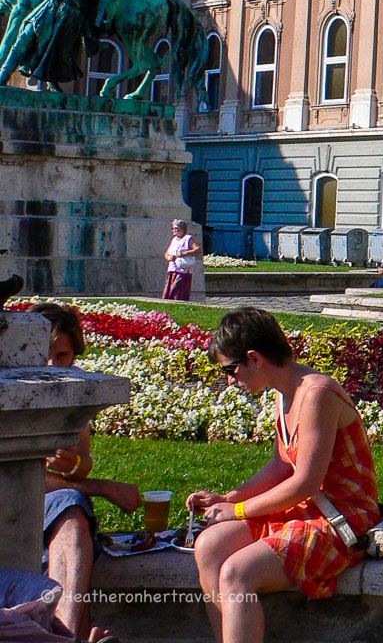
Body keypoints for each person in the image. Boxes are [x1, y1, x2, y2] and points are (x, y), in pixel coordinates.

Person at [189, 308, 382, 643]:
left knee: (238, 573)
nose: (231, 381)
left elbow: (305, 481)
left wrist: (235, 512)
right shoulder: (286, 392)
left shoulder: (317, 394)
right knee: (208, 546)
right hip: (309, 510)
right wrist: (230, 498)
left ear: (254, 358)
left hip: (344, 519)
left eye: (231, 371)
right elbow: (282, 465)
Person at [34, 303, 141, 642]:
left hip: (56, 510)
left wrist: (73, 468)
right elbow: (18, 480)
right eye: (45, 355)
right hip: (17, 509)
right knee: (71, 502)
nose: (53, 365)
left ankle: (64, 637)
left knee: (71, 508)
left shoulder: (71, 391)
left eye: (62, 356)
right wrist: (105, 487)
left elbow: (82, 461)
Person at [162, 219, 201, 301]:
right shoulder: (174, 240)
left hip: (183, 271)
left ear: (182, 229)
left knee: (178, 292)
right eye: (173, 228)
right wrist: (169, 257)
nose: (174, 230)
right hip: (172, 269)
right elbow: (167, 253)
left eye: (176, 228)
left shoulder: (188, 239)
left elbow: (197, 250)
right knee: (169, 292)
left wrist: (184, 253)